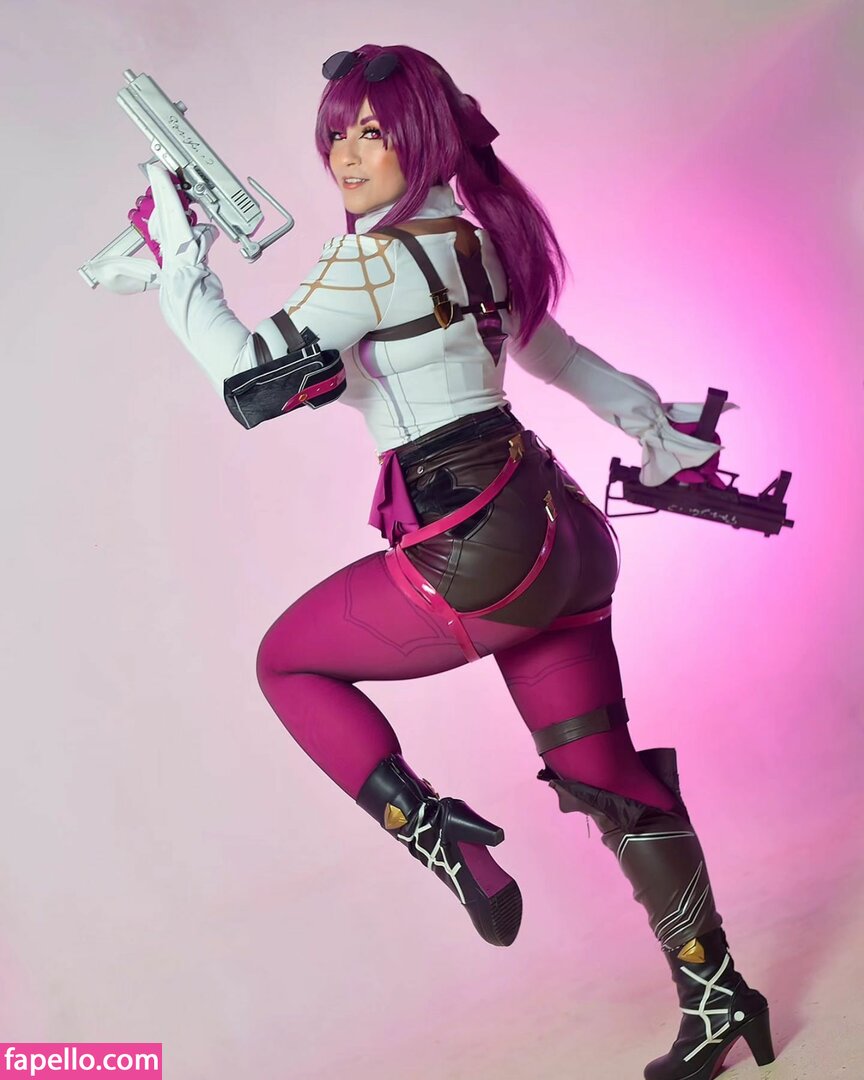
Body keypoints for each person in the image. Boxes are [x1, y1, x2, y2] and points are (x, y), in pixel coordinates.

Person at [87, 43, 776, 1080]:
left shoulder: (365, 264)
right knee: (606, 772)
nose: (347, 155)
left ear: (423, 136)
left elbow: (246, 381)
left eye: (372, 133)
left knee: (287, 662)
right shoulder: (478, 243)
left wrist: (182, 262)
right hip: (562, 538)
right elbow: (557, 359)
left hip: (481, 547)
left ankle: (445, 839)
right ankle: (719, 1001)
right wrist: (658, 433)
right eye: (337, 134)